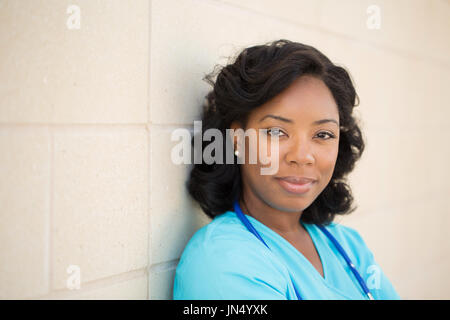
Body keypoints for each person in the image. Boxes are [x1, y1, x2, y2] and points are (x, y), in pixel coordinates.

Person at [173, 39, 401, 300]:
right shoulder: (222, 264)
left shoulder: (348, 246)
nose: (302, 156)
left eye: (323, 134)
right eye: (276, 132)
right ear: (237, 138)